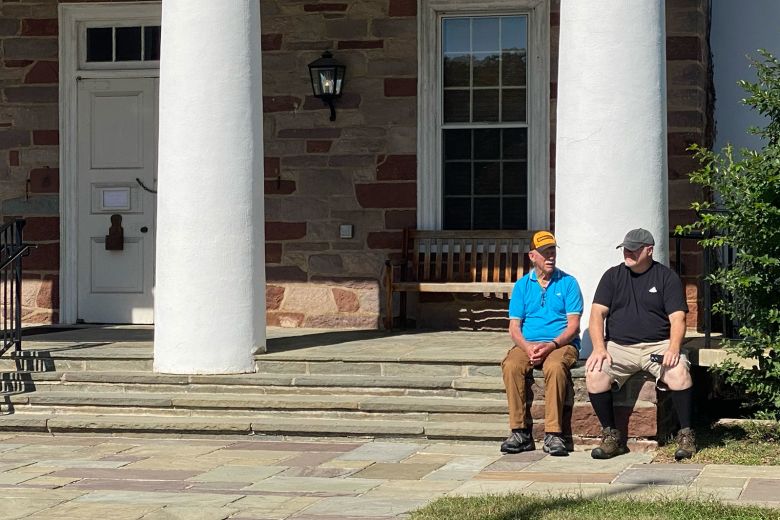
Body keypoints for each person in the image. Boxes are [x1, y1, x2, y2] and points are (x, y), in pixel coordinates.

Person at [585, 228, 696, 461]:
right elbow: (596, 315)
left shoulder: (666, 277)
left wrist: (673, 348)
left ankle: (686, 435)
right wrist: (599, 348)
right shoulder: (612, 276)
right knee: (595, 374)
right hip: (618, 346)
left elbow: (678, 318)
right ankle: (611, 436)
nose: (628, 253)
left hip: (658, 345)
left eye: (634, 249)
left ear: (649, 250)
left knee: (679, 373)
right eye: (625, 248)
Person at [501, 230, 583, 456]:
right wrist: (527, 347)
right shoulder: (522, 286)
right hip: (529, 343)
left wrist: (552, 345)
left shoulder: (568, 283)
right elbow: (514, 327)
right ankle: (520, 432)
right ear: (532, 256)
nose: (550, 256)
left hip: (561, 343)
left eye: (553, 251)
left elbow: (573, 326)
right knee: (511, 365)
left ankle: (554, 434)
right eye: (545, 252)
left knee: (555, 367)